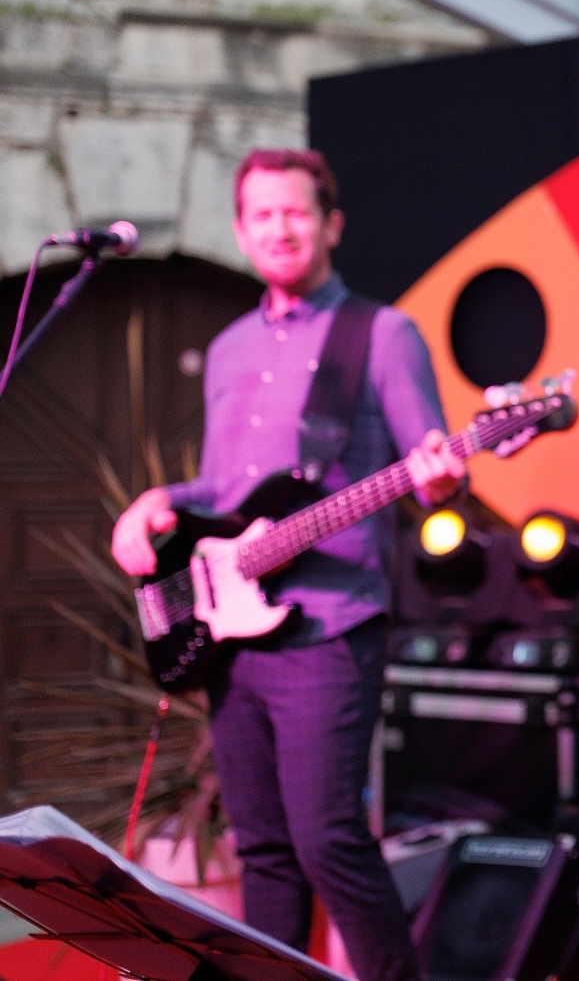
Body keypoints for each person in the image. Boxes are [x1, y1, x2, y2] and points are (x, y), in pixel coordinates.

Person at [111, 148, 463, 981]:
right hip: (235, 632)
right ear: (240, 231)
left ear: (331, 224)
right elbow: (224, 491)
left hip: (331, 630)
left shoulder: (382, 334)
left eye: (296, 211)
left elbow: (433, 471)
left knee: (327, 839)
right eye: (262, 214)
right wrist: (156, 498)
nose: (280, 228)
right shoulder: (229, 348)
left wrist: (444, 479)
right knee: (263, 849)